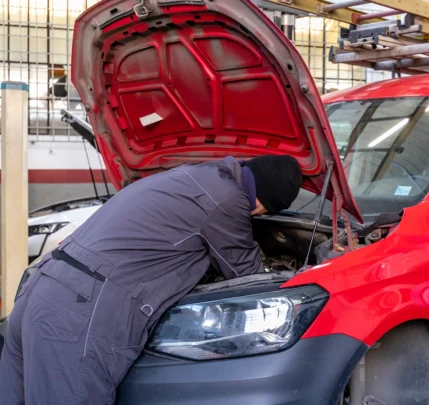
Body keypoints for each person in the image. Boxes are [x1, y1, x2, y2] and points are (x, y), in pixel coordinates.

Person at [0, 155, 302, 405]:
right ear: (263, 198)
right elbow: (247, 278)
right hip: (80, 312)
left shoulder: (191, 175)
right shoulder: (228, 199)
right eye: (266, 208)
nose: (258, 213)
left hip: (42, 287)